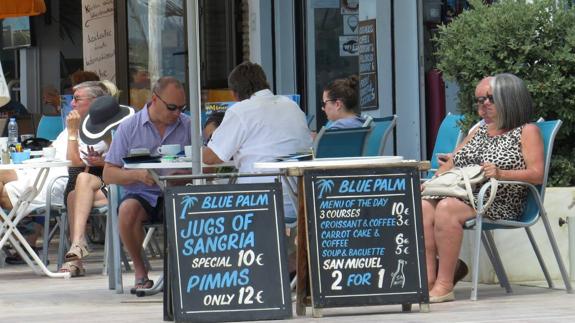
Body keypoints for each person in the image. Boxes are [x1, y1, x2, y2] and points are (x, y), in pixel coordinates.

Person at [422, 73, 544, 303]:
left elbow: (537, 174)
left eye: (490, 98)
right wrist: (435, 179)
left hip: (498, 199)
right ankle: (429, 278)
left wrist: (501, 173)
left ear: (510, 98)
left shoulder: (526, 131)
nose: (484, 105)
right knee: (424, 206)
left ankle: (444, 284)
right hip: (465, 193)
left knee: (447, 208)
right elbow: (452, 163)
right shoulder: (478, 132)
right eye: (479, 100)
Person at [0, 81, 112, 265]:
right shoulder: (72, 125)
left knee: (4, 197)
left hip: (58, 180)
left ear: (95, 102)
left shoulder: (99, 132)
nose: (72, 104)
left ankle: (22, 243)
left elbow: (75, 166)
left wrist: (73, 132)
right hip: (39, 170)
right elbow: (52, 149)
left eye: (76, 99)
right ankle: (21, 242)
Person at [103, 76, 191, 290]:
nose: (177, 113)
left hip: (178, 192)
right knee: (126, 210)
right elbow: (108, 174)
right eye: (172, 107)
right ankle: (140, 270)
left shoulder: (188, 125)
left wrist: (182, 173)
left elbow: (205, 166)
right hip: (143, 193)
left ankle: (188, 272)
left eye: (182, 107)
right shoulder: (129, 127)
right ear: (154, 99)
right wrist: (138, 175)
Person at [60, 96, 134, 277]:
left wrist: (102, 162)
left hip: (129, 185)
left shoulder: (130, 130)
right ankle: (78, 244)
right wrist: (101, 161)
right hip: (109, 184)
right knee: (79, 184)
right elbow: (80, 164)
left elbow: (132, 165)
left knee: (76, 191)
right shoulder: (108, 134)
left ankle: (76, 256)